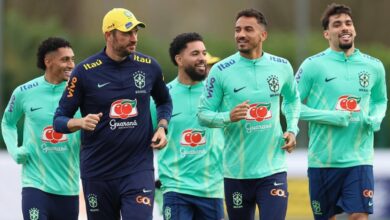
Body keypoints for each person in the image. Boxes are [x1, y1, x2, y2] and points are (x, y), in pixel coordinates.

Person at [53, 8, 172, 220]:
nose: (134, 38)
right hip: (98, 173)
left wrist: (162, 127)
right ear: (109, 35)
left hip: (138, 170)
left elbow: (164, 100)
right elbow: (59, 120)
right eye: (127, 33)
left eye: (136, 32)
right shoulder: (84, 72)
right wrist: (79, 122)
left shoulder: (149, 67)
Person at [198, 8, 300, 220]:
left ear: (263, 35)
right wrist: (228, 117)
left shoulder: (281, 67)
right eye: (237, 30)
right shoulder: (220, 70)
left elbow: (292, 100)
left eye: (248, 29)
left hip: (273, 169)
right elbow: (203, 114)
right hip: (236, 173)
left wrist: (291, 128)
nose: (240, 34)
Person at [295, 3, 387, 220]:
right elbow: (291, 106)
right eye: (337, 24)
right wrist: (330, 117)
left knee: (359, 215)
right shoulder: (312, 65)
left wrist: (375, 117)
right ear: (327, 33)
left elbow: (381, 100)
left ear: (354, 30)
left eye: (348, 23)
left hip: (359, 158)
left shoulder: (373, 66)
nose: (344, 27)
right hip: (322, 161)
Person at [1, 37, 80, 220]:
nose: (71, 64)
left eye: (72, 59)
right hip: (35, 185)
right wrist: (14, 149)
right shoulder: (24, 92)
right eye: (65, 59)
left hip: (69, 187)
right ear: (48, 61)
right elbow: (7, 122)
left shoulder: (79, 92)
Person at [151, 32, 224, 220]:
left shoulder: (218, 94)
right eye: (195, 54)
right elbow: (144, 137)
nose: (202, 58)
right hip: (175, 189)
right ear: (179, 59)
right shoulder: (161, 96)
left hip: (212, 189)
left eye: (203, 53)